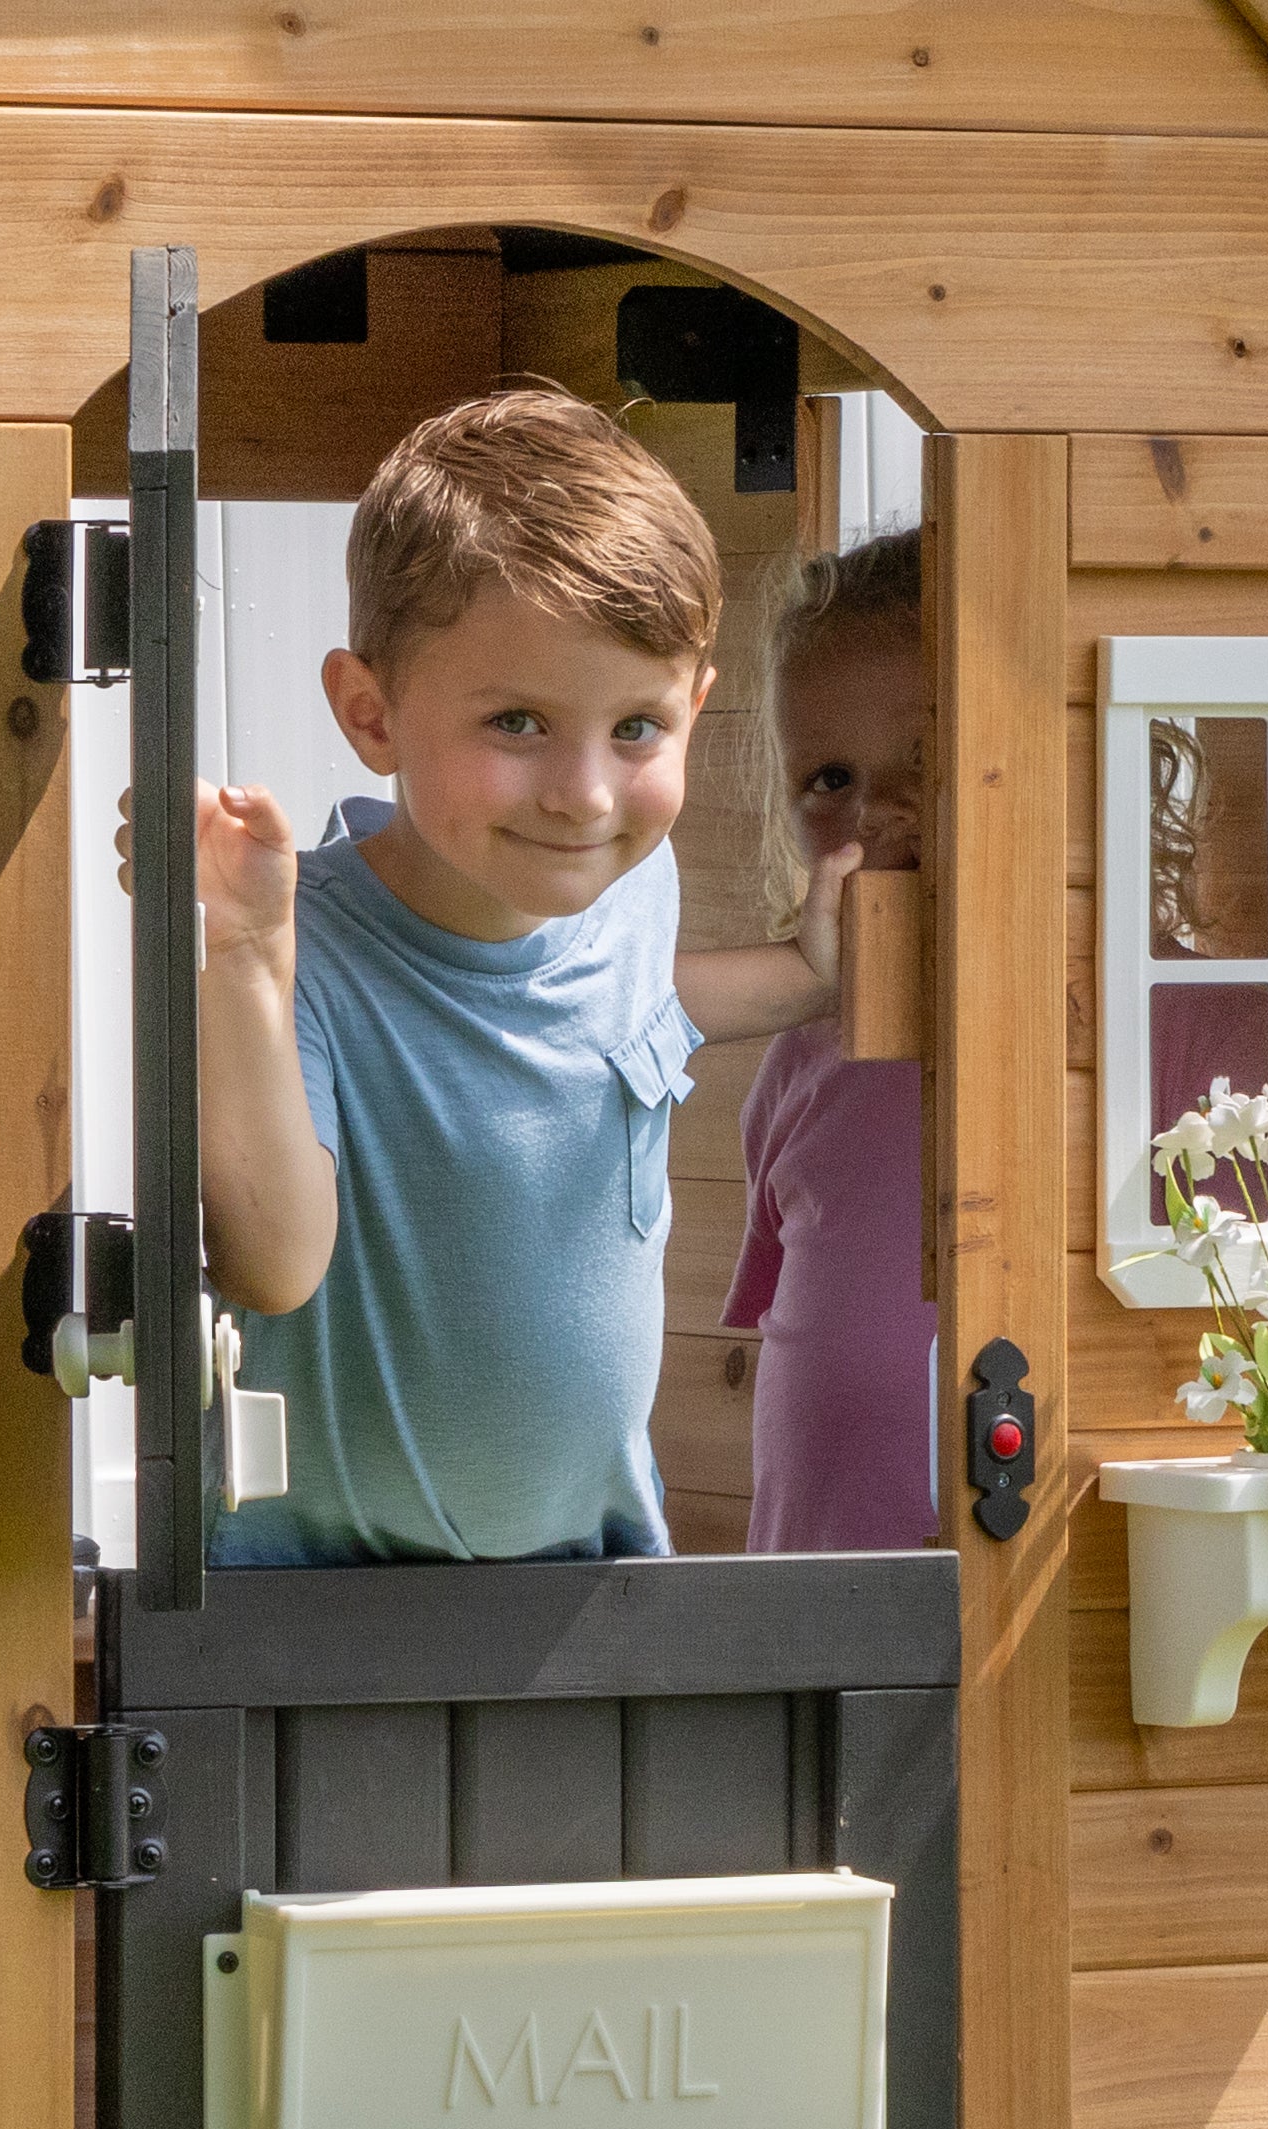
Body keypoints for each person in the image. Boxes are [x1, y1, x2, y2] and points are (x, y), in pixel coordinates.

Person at [169, 388, 852, 1565]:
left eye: (636, 727)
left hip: (588, 1587)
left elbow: (623, 1022)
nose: (584, 793)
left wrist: (801, 973)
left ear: (694, 704)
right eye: (520, 723)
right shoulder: (306, 956)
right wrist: (245, 955)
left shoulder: (634, 892)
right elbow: (272, 1259)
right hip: (328, 1610)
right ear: (369, 713)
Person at [718, 528, 940, 1551]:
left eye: (926, 759)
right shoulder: (806, 1057)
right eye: (827, 777)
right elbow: (794, 1353)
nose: (872, 812)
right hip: (813, 1616)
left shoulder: (1170, 1021)